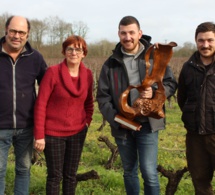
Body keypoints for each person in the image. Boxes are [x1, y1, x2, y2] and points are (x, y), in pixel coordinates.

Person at [96, 16, 177, 195]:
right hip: (123, 126)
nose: (127, 37)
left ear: (139, 33)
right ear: (119, 34)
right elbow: (102, 97)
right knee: (129, 172)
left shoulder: (154, 56)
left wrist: (156, 93)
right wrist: (117, 120)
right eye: (123, 33)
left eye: (131, 32)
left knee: (149, 173)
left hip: (148, 123)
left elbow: (171, 83)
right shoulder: (110, 64)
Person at [34, 35, 94, 195]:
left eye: (78, 49)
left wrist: (86, 122)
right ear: (64, 51)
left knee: (71, 176)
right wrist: (39, 135)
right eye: (70, 49)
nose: (74, 52)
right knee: (55, 176)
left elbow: (89, 102)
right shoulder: (53, 73)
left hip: (77, 132)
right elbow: (41, 104)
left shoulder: (87, 75)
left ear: (84, 53)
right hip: (53, 134)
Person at [0, 15, 47, 195]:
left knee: (23, 169)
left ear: (27, 34)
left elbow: (48, 87)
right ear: (6, 30)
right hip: (0, 127)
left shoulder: (35, 57)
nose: (16, 36)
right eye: (13, 31)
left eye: (21, 32)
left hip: (26, 126)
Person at [177, 22, 215, 195]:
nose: (205, 45)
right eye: (201, 40)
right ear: (196, 41)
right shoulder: (187, 67)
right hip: (195, 137)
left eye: (210, 40)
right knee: (200, 182)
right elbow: (182, 99)